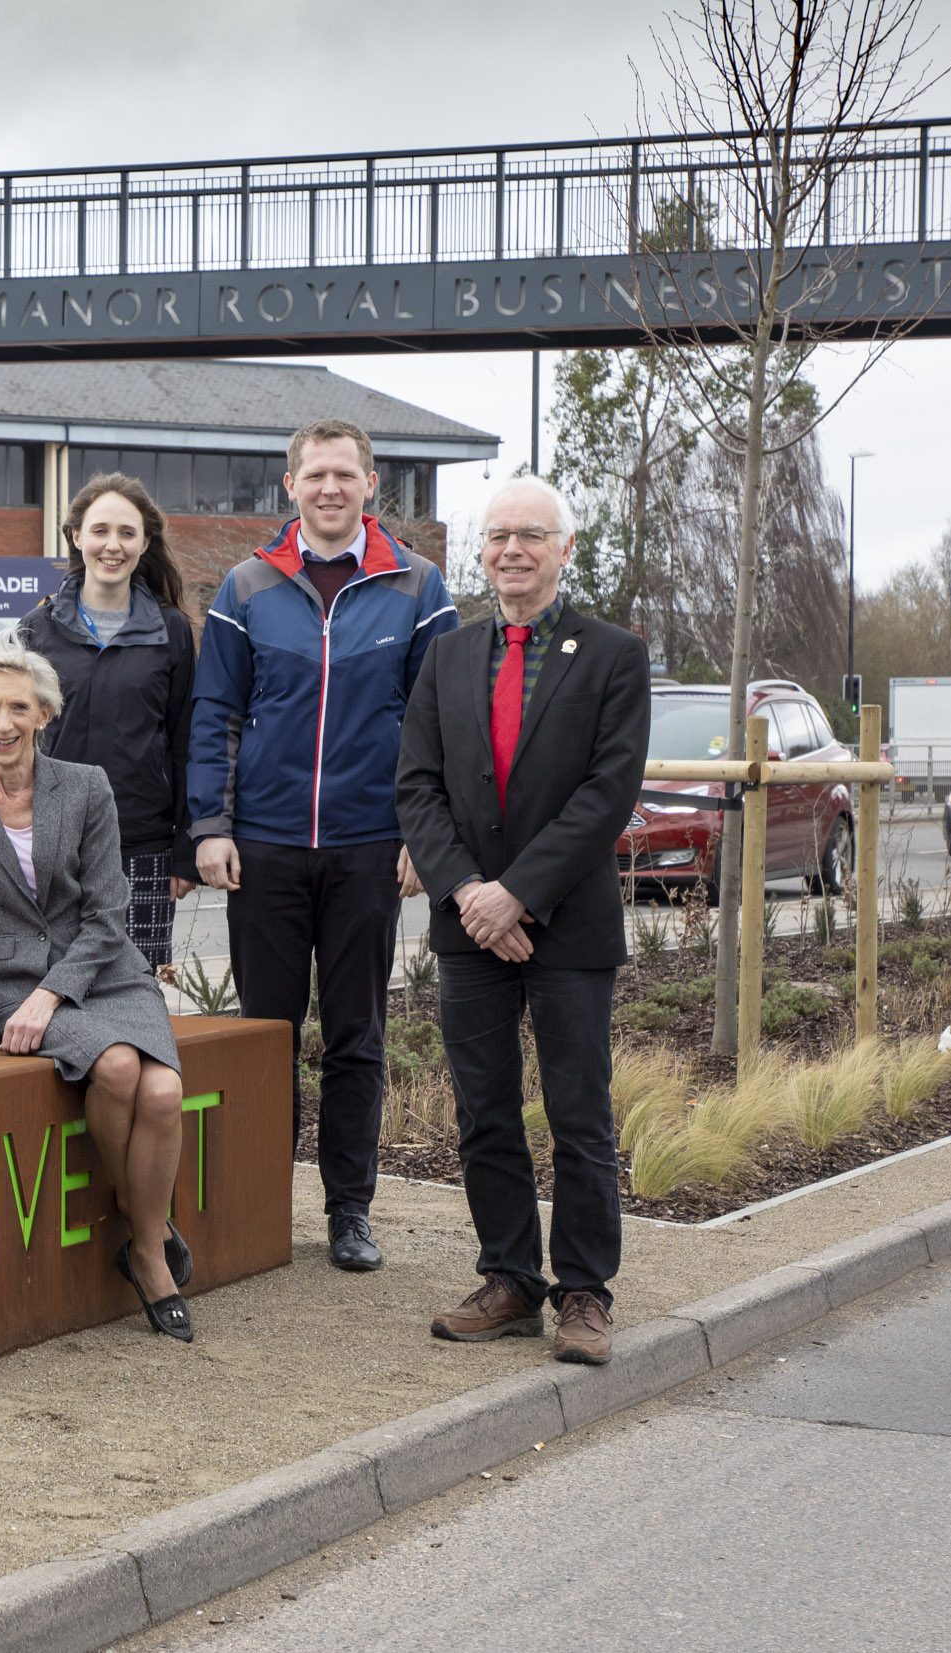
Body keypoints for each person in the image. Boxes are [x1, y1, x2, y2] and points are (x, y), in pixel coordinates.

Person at [188, 418, 457, 1273]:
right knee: (264, 1037)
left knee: (356, 1035)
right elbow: (214, 717)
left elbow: (439, 726)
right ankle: (261, 1207)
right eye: (316, 474)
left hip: (369, 848)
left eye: (346, 473)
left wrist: (424, 836)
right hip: (263, 848)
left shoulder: (418, 585)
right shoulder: (246, 585)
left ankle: (350, 1210)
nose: (330, 487)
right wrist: (210, 825)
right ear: (291, 484)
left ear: (370, 484)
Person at [394, 475, 650, 1366]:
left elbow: (606, 794)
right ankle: (510, 1278)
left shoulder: (614, 655)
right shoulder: (447, 657)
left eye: (532, 536)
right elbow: (416, 787)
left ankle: (584, 1290)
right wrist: (470, 891)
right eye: (499, 534)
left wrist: (520, 892)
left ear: (565, 549)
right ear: (482, 549)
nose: (512, 550)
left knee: (580, 1113)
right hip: (470, 925)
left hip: (566, 924)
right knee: (484, 1110)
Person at [0, 640, 194, 1342]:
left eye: (18, 706)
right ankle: (152, 1248)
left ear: (43, 712)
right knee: (121, 1067)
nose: (3, 722)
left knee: (161, 1090)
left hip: (107, 973)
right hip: (11, 983)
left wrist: (53, 994)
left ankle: (143, 1238)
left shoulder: (87, 785)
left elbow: (107, 914)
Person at [13, 473, 197, 973]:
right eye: (99, 531)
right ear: (75, 536)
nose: (111, 545)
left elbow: (184, 742)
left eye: (126, 532)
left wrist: (185, 849)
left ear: (144, 542)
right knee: (48, 996)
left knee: (135, 997)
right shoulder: (36, 628)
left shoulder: (172, 631)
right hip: (48, 844)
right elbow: (13, 743)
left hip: (142, 847)